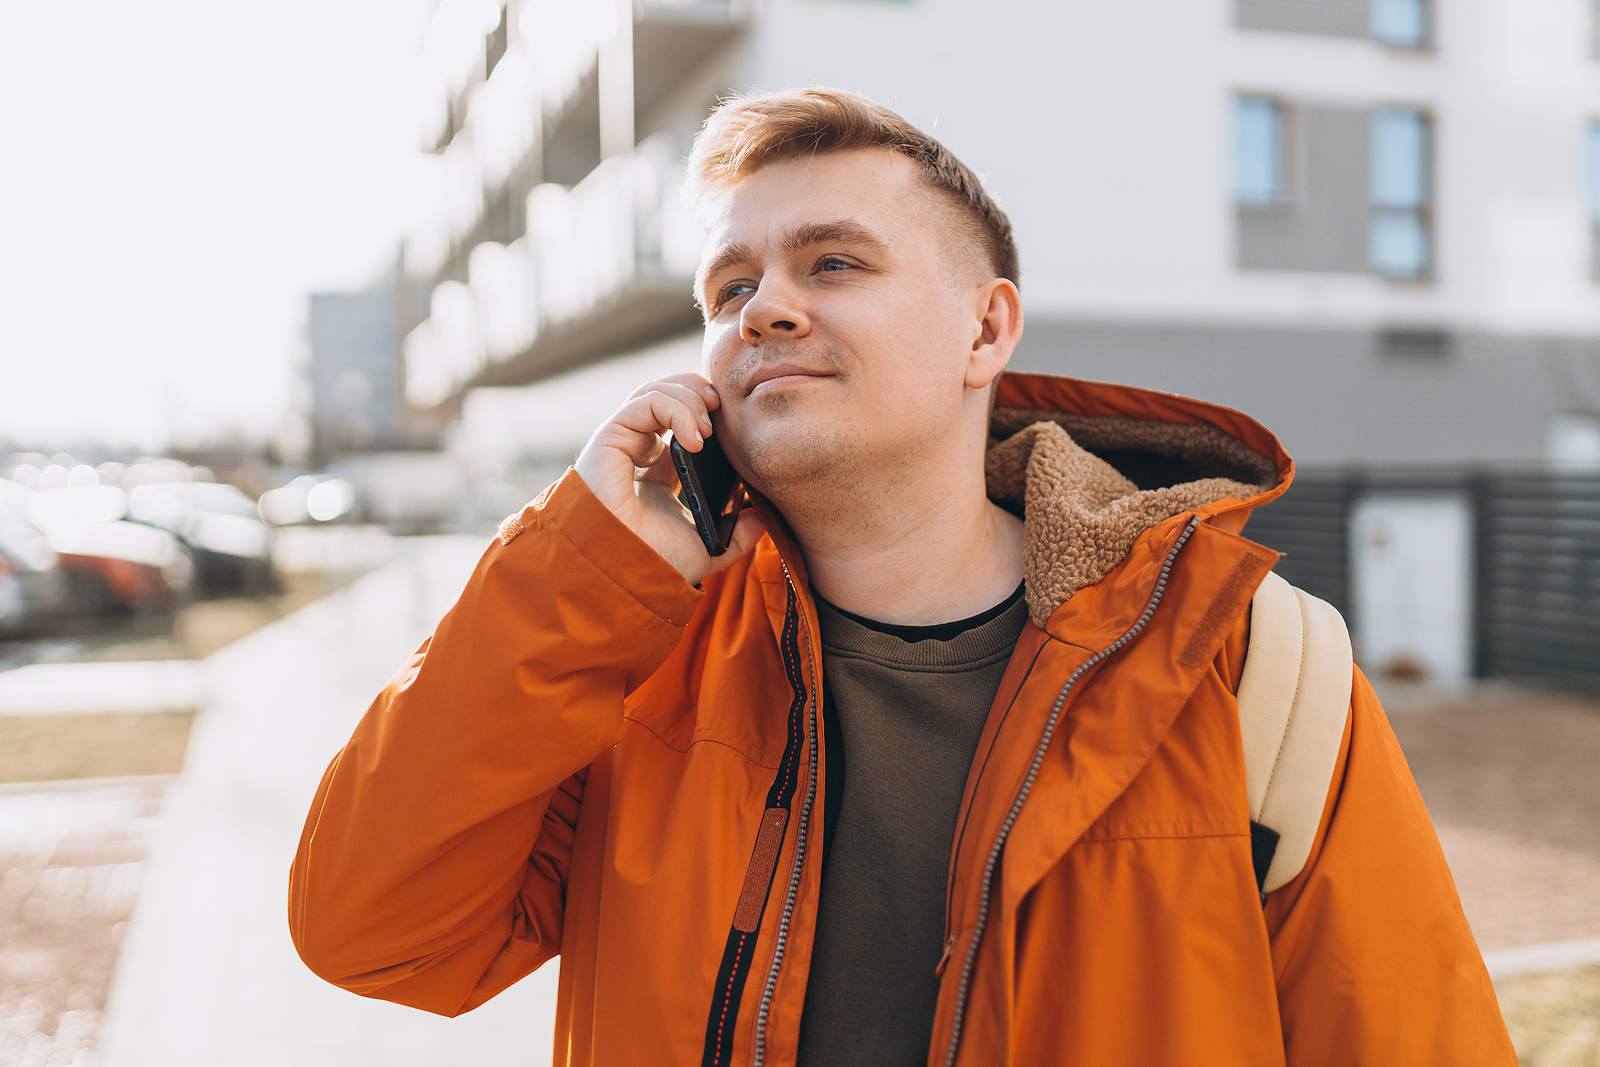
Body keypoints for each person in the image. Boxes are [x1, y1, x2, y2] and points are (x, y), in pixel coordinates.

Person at [289, 89, 1515, 1065]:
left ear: (986, 330)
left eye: (831, 264)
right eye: (731, 285)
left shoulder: (1253, 666)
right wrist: (580, 573)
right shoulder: (629, 659)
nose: (764, 306)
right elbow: (374, 932)